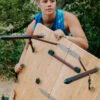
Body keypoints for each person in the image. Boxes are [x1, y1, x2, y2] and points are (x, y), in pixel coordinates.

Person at [15, 0, 88, 73]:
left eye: (52, 1)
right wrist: (20, 63)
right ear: (38, 4)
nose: (49, 4)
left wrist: (65, 38)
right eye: (45, 1)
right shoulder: (32, 27)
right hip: (44, 66)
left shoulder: (68, 18)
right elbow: (27, 48)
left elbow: (84, 44)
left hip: (66, 64)